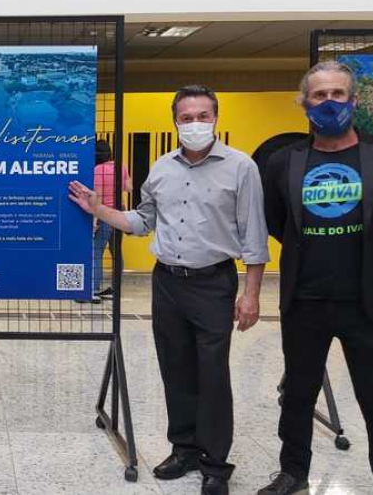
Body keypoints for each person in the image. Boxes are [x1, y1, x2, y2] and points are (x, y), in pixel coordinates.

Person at [69, 85, 269, 495]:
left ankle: (215, 463)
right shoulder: (161, 168)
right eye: (186, 118)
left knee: (213, 374)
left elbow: (254, 235)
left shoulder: (241, 167)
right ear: (175, 121)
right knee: (174, 369)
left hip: (213, 282)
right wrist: (98, 208)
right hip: (168, 284)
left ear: (216, 118)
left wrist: (251, 294)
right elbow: (142, 222)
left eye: (202, 116)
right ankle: (184, 449)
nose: (195, 124)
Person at [258, 62, 373, 495]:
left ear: (353, 100)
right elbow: (277, 221)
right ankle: (293, 472)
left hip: (368, 301)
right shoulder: (283, 162)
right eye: (319, 95)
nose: (329, 102)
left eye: (338, 94)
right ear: (305, 104)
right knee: (298, 394)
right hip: (304, 300)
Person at [91, 139, 132, 300]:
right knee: (116, 251)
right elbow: (129, 188)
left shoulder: (98, 169)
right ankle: (116, 289)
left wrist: (94, 220)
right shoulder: (121, 166)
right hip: (120, 212)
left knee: (96, 251)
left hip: (105, 213)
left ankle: (94, 290)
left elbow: (98, 197)